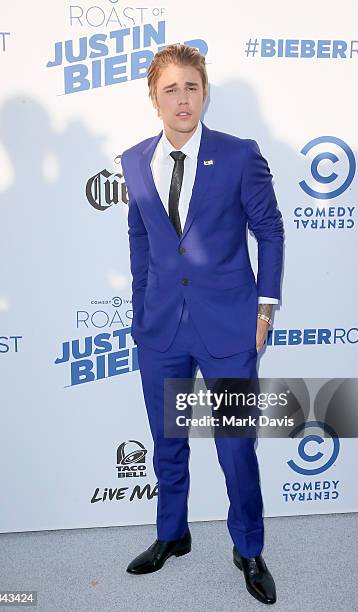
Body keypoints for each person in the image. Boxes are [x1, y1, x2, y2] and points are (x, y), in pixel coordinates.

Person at [120, 43, 284, 605]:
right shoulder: (133, 161)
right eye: (171, 88)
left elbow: (271, 232)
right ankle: (172, 534)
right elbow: (140, 238)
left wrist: (265, 307)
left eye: (191, 86)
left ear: (205, 91)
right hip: (161, 330)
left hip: (229, 328)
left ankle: (249, 548)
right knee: (167, 440)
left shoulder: (239, 155)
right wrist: (141, 309)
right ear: (154, 97)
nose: (182, 98)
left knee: (236, 445)